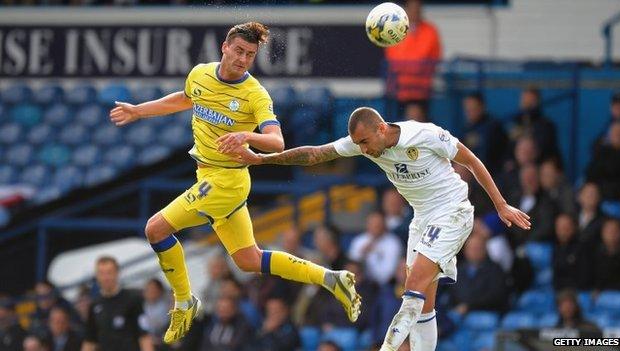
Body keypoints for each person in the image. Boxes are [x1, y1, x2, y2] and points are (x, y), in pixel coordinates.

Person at [109, 21, 360, 343]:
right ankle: (331, 277)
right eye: (239, 51)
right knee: (248, 260)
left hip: (226, 182)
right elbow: (186, 99)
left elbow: (277, 141)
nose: (243, 59)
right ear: (224, 48)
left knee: (155, 229)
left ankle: (184, 301)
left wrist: (246, 135)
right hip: (208, 175)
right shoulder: (200, 73)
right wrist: (139, 111)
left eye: (250, 55)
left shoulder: (254, 94)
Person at [228, 106, 530, 351]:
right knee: (426, 303)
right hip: (422, 218)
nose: (363, 149)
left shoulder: (425, 134)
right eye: (358, 144)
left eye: (365, 142)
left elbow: (472, 161)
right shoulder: (365, 144)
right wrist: (263, 158)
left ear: (381, 128)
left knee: (413, 291)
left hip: (452, 212)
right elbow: (316, 153)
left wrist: (501, 205)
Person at [82, 256, 153, 351]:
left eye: (109, 273)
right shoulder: (94, 305)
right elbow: (89, 341)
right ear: (97, 276)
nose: (106, 277)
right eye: (101, 273)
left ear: (117, 273)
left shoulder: (133, 299)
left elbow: (144, 337)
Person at [385, 0, 442, 117]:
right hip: (401, 90)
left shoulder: (430, 30)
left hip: (423, 89)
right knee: (401, 127)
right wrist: (415, 66)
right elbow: (393, 60)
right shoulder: (395, 29)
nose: (415, 11)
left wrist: (412, 66)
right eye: (412, 7)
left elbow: (435, 57)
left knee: (423, 127)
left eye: (418, 7)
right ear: (406, 10)